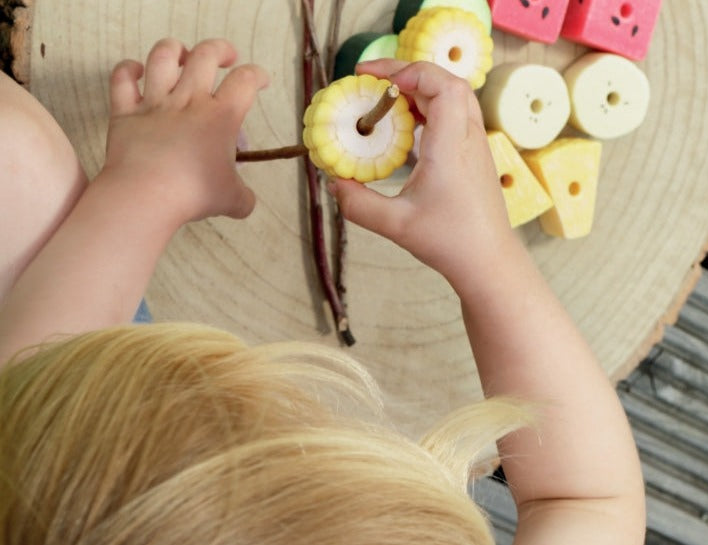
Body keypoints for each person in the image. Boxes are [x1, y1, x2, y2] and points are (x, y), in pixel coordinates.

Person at [0, 38, 645, 544]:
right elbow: (589, 500)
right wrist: (486, 255)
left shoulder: (37, 470)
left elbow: (30, 398)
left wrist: (145, 187)